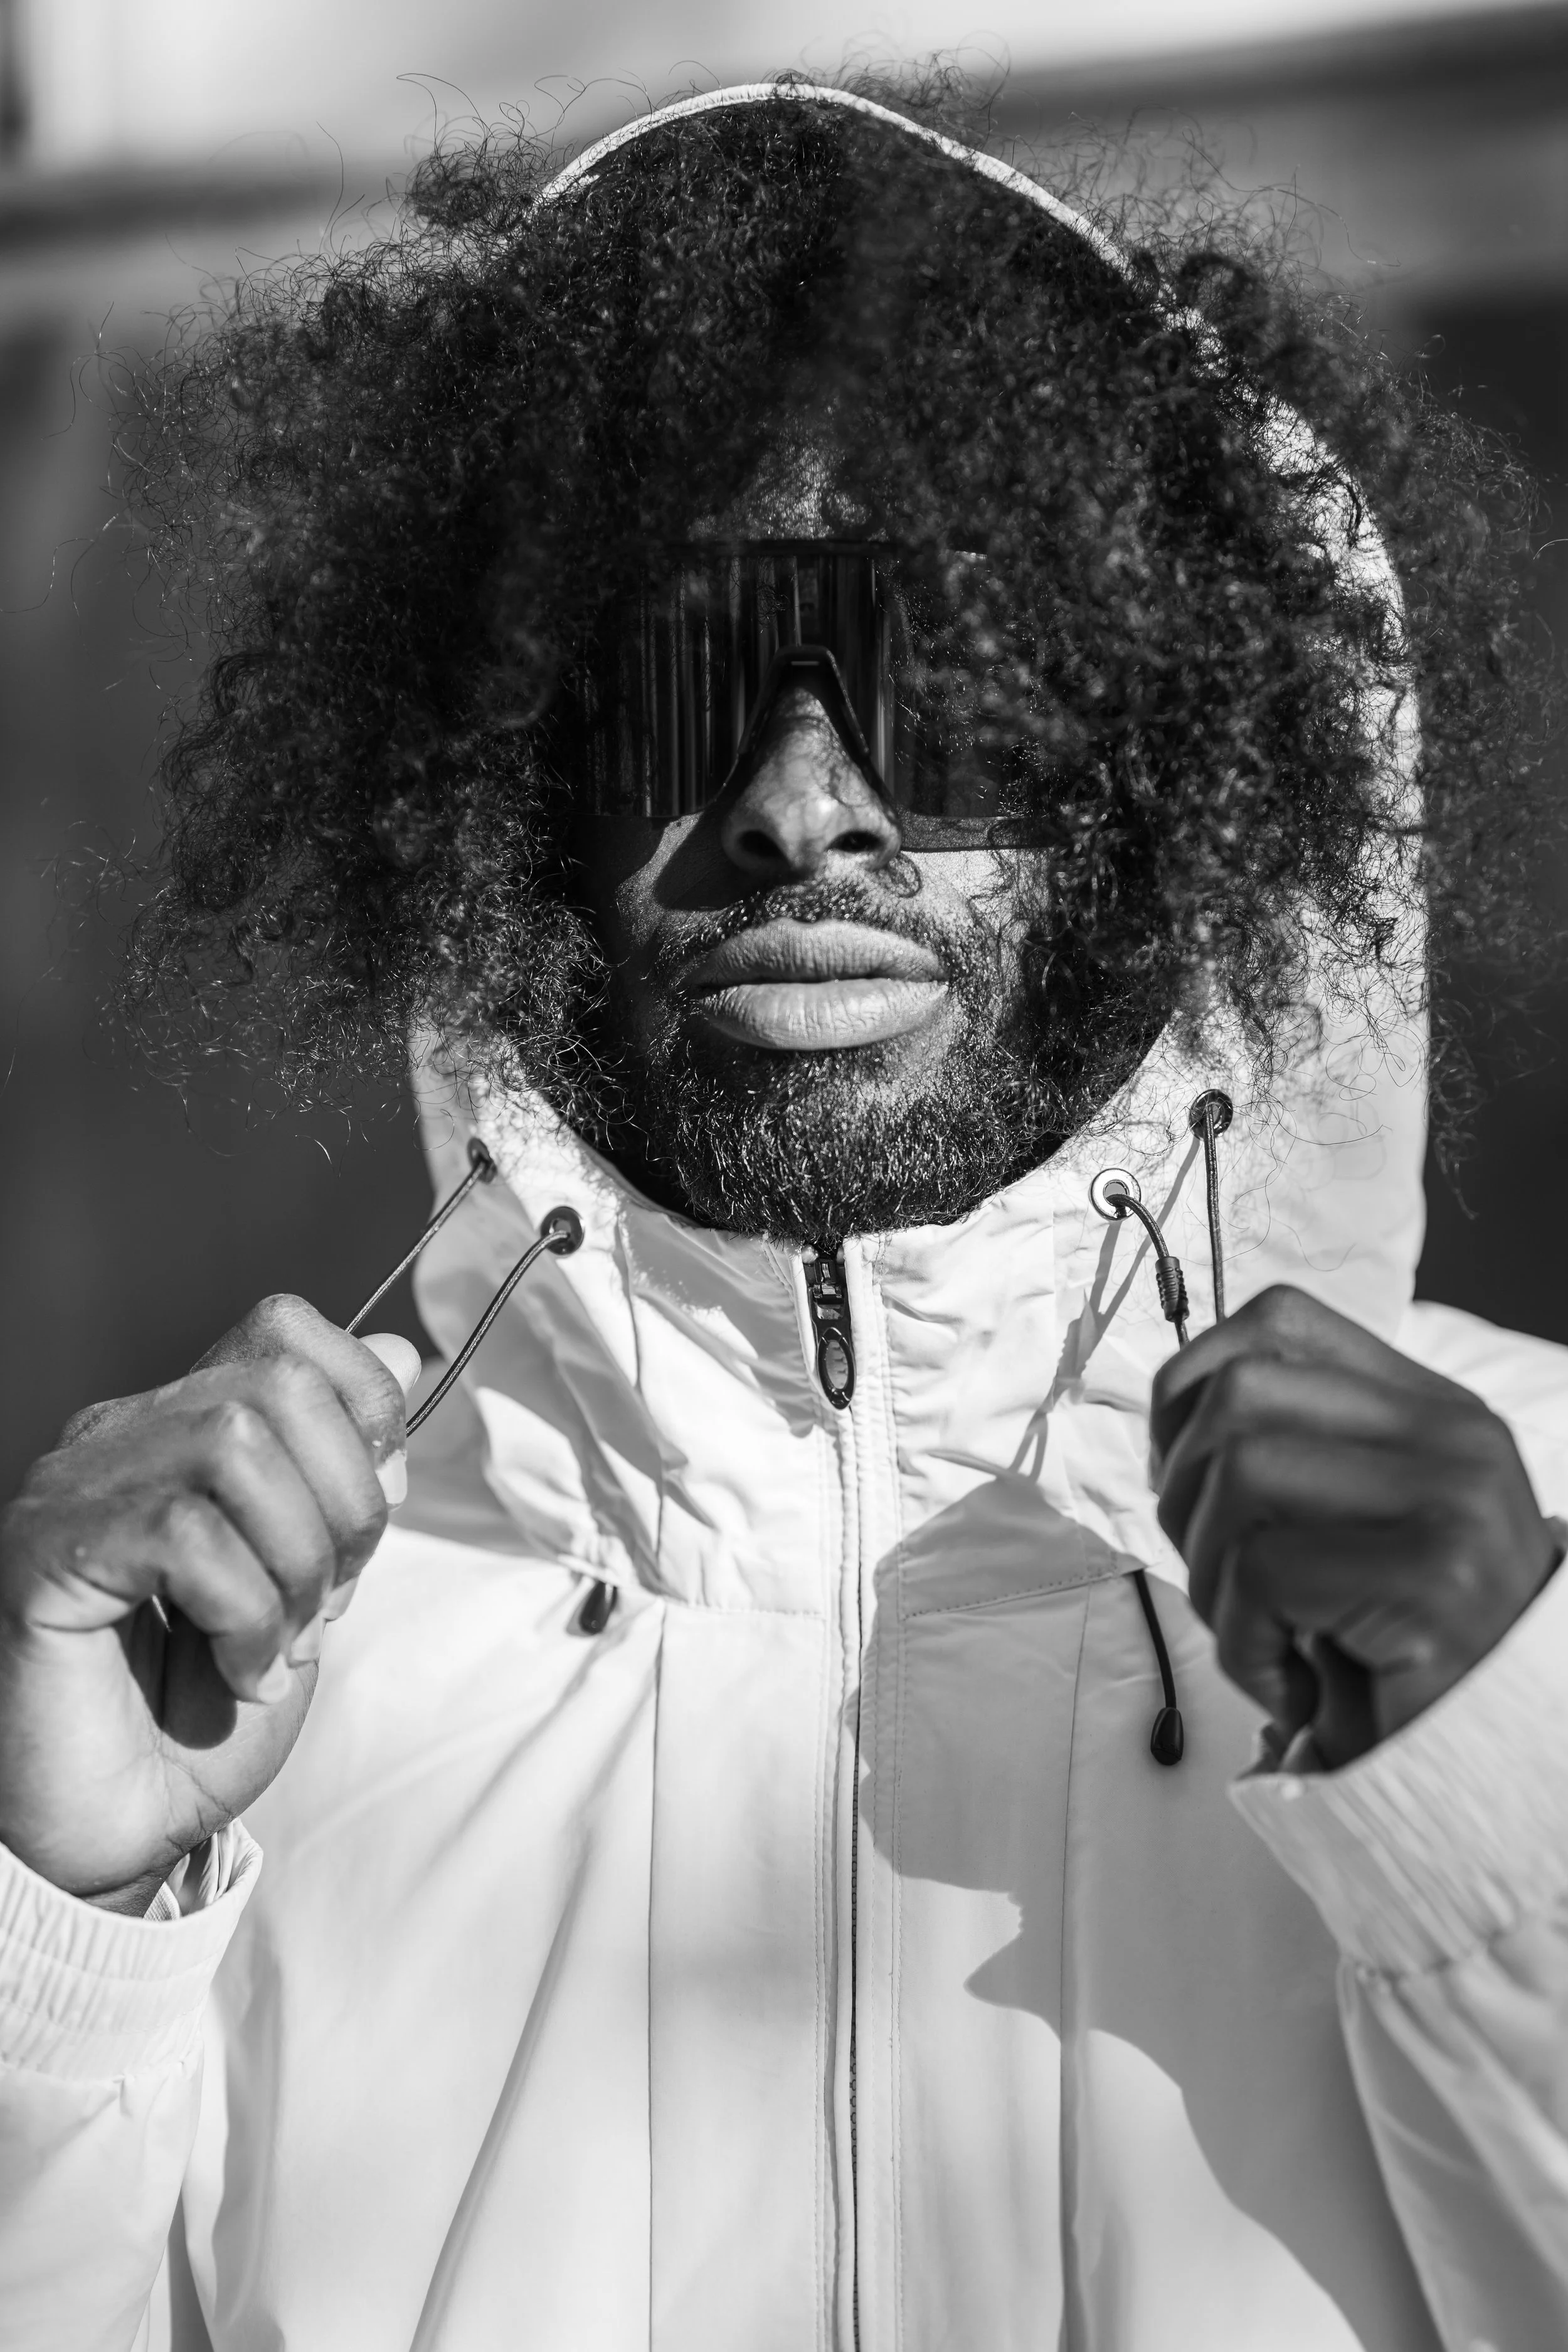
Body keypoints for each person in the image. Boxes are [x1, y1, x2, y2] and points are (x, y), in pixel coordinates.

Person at [1, 78, 1565, 2352]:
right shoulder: (239, 1673)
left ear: (1160, 764)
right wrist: (56, 1941)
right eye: (691, 681)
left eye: (944, 680)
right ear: (511, 794)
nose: (803, 804)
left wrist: (1503, 1787)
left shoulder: (1526, 1546)